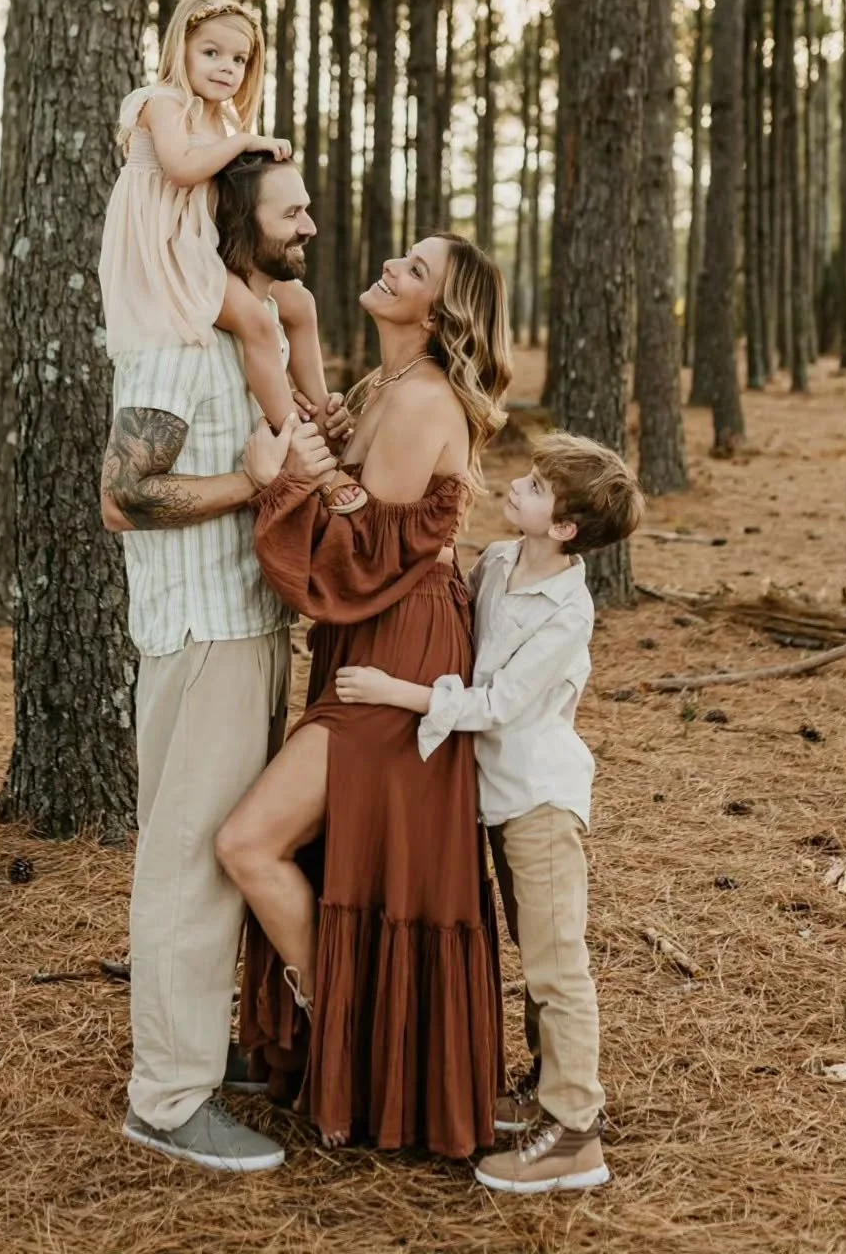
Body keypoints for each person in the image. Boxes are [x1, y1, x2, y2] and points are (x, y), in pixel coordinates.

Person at [215, 234, 513, 1159]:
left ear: (440, 311)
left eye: (416, 271)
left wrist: (287, 480)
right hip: (370, 638)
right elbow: (354, 497)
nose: (393, 266)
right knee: (346, 851)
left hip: (401, 646)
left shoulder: (422, 399)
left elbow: (367, 552)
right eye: (404, 256)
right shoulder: (386, 384)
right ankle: (346, 1043)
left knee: (250, 842)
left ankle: (344, 1027)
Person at [100, 153, 342, 1174]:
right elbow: (122, 497)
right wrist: (254, 485)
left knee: (222, 857)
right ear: (239, 220)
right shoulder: (175, 341)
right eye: (293, 212)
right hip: (201, 634)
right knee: (188, 865)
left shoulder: (251, 334)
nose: (310, 226)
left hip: (248, 626)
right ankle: (166, 1099)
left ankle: (201, 1050)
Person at [335, 432, 645, 1194]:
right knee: (532, 949)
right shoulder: (502, 562)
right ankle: (544, 1090)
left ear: (564, 527)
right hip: (494, 797)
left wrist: (395, 693)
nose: (517, 486)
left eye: (536, 488)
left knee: (555, 963)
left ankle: (575, 1132)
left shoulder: (567, 612)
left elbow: (500, 703)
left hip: (539, 801)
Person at [99, 0, 362, 510]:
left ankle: (320, 414)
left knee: (300, 303)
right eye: (211, 52)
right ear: (181, 48)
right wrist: (243, 142)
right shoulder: (163, 103)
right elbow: (180, 169)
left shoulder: (223, 121)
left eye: (239, 59)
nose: (226, 67)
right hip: (169, 260)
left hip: (206, 251)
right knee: (258, 323)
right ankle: (306, 452)